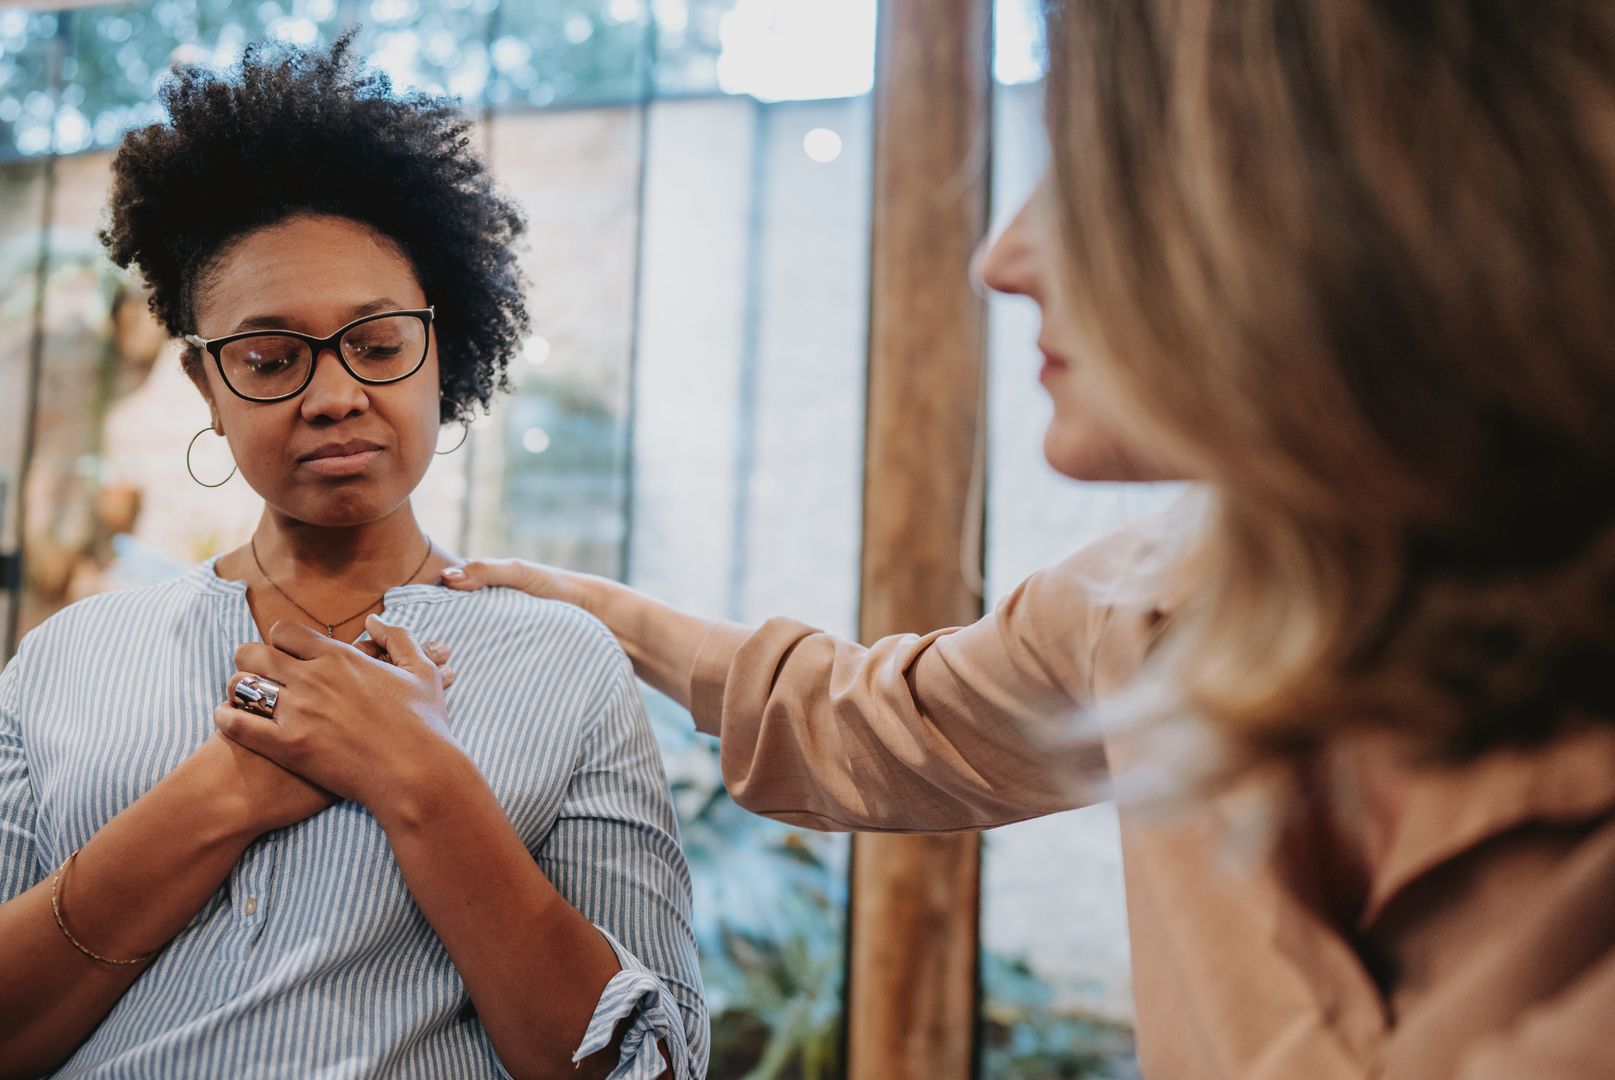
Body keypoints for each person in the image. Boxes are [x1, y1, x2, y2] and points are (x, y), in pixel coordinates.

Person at [446, 2, 1615, 1077]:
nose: (999, 258)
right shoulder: (1144, 605)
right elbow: (875, 720)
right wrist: (595, 616)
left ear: (1346, 198)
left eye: (1092, 173)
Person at [0, 42, 703, 1080]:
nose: (334, 394)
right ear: (207, 386)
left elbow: (653, 1067)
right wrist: (224, 793)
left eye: (379, 345)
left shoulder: (565, 664)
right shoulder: (73, 655)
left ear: (445, 350)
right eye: (269, 359)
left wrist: (419, 778)